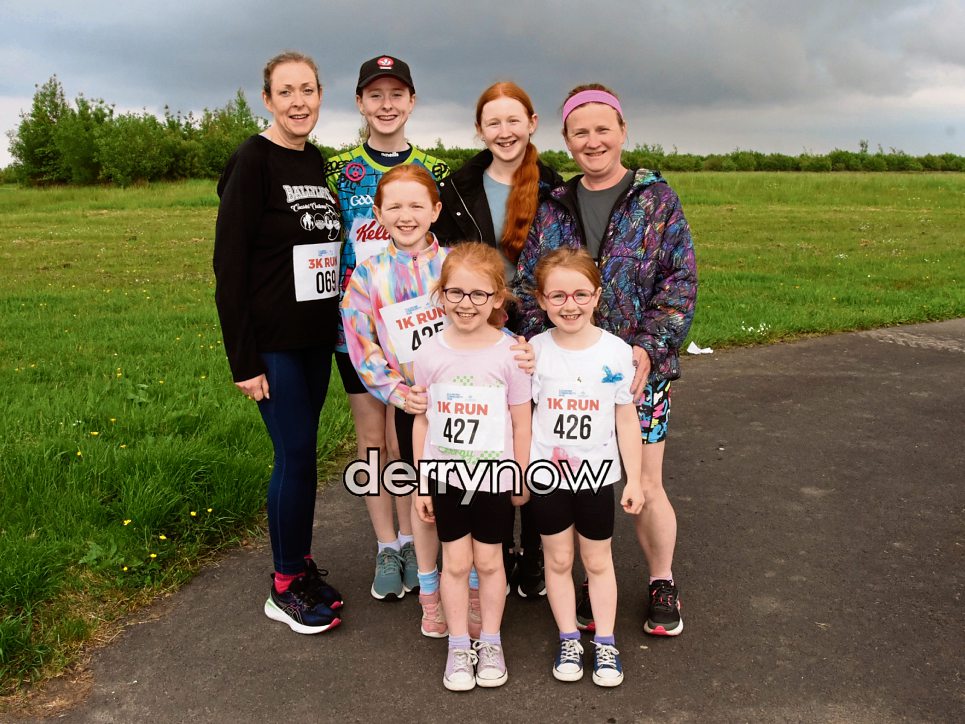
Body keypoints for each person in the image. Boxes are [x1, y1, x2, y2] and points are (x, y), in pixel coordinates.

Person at [514, 84, 698, 639]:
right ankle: (592, 585)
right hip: (566, 375)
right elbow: (528, 286)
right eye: (580, 132)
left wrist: (649, 345)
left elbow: (680, 281)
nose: (592, 141)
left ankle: (661, 580)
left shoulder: (656, 200)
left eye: (602, 129)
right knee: (572, 480)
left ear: (622, 132)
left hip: (635, 370)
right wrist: (536, 347)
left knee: (645, 482)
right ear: (566, 139)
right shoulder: (553, 205)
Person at [213, 51, 343, 634]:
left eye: (307, 90)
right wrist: (243, 360)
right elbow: (228, 267)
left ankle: (300, 562)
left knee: (304, 452)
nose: (298, 102)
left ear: (320, 96)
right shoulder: (253, 160)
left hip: (314, 339)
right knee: (294, 454)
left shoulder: (314, 160)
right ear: (267, 99)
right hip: (273, 344)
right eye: (286, 92)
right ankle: (285, 586)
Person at [325, 54, 450, 601]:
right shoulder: (336, 169)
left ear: (412, 101)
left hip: (422, 341)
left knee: (410, 440)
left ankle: (415, 539)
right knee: (373, 439)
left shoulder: (437, 169)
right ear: (360, 103)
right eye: (375, 95)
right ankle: (386, 545)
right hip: (360, 331)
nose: (386, 104)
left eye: (396, 94)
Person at [431, 81, 563, 598]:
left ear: (532, 124)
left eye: (514, 120)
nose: (504, 132)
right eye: (493, 123)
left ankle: (534, 551)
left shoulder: (553, 187)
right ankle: (490, 548)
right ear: (480, 130)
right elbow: (447, 257)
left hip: (536, 328)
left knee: (533, 438)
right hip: (477, 324)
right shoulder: (458, 185)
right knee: (488, 438)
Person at [412, 243, 532, 691]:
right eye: (456, 292)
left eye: (479, 294)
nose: (466, 303)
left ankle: (491, 641)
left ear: (497, 298)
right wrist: (422, 483)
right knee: (456, 564)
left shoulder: (510, 354)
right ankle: (459, 645)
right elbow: (422, 420)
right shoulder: (429, 353)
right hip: (446, 477)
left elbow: (522, 420)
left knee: (490, 561)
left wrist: (520, 473)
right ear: (441, 294)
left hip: (494, 478)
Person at [528, 247, 644, 687]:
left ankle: (607, 642)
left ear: (596, 296)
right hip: (546, 477)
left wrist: (634, 479)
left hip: (595, 477)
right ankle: (569, 638)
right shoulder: (533, 351)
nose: (569, 305)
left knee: (597, 560)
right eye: (557, 296)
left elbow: (625, 418)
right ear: (542, 300)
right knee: (558, 559)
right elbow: (521, 414)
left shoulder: (615, 352)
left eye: (580, 294)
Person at [340, 164, 446, 637]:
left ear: (435, 211)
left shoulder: (455, 266)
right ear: (379, 214)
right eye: (395, 207)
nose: (406, 216)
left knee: (444, 473)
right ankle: (397, 550)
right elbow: (360, 341)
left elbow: (485, 318)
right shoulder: (368, 274)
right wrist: (396, 391)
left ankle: (445, 559)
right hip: (403, 396)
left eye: (416, 205)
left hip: (451, 397)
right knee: (394, 456)